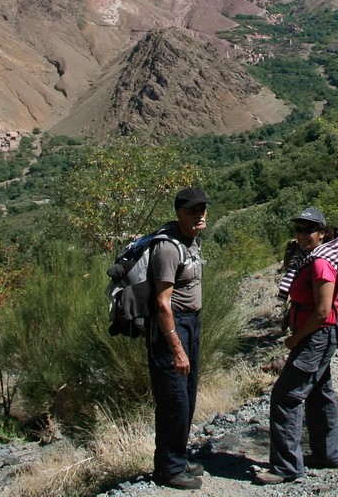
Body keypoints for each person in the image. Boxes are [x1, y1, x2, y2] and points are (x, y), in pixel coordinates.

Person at [257, 208, 338, 485]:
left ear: (322, 233)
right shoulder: (307, 259)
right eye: (299, 228)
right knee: (320, 393)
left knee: (286, 396)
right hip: (320, 336)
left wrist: (295, 339)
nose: (302, 234)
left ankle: (286, 467)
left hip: (316, 336)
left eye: (309, 229)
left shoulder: (320, 263)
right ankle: (327, 454)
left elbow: (322, 311)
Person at [148, 187, 208, 490]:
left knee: (188, 396)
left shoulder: (191, 242)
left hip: (191, 324)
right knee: (174, 399)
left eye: (202, 209)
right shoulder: (168, 248)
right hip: (171, 328)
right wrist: (176, 348)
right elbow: (161, 302)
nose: (199, 215)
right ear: (179, 213)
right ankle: (168, 469)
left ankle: (179, 457)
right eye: (192, 210)